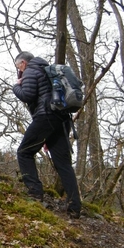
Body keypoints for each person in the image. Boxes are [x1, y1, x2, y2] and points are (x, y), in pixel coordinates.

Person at [12, 51, 81, 218]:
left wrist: (16, 86)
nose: (19, 70)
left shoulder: (30, 71)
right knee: (63, 163)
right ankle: (74, 206)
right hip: (60, 119)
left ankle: (35, 193)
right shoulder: (47, 69)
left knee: (24, 152)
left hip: (45, 117)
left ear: (23, 63)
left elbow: (27, 95)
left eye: (18, 66)